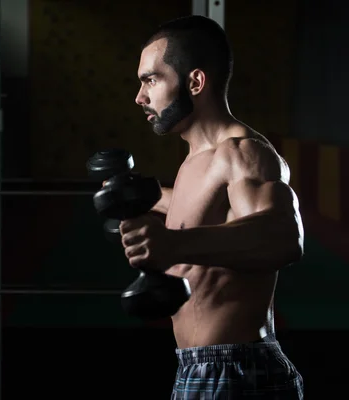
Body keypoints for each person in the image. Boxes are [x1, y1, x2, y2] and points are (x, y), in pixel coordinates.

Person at [120, 15, 305, 399]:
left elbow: (283, 236)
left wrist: (172, 245)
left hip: (235, 370)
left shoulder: (242, 152)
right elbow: (205, 209)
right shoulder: (197, 160)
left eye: (151, 80)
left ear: (195, 82)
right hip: (200, 367)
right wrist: (143, 196)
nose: (140, 97)